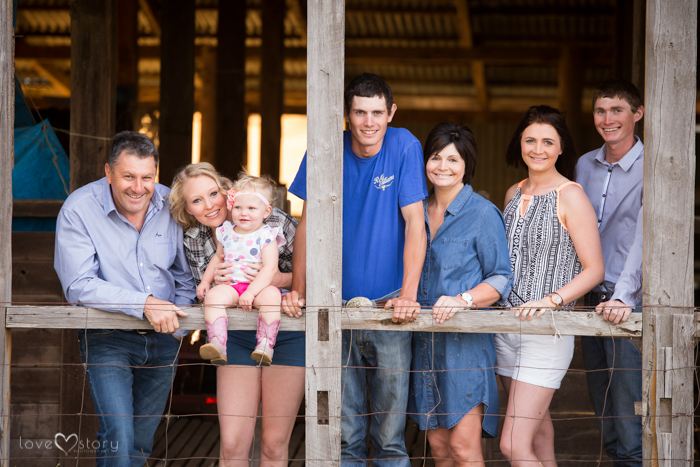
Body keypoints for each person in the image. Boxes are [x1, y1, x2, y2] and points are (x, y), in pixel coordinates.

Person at [283, 73, 428, 465]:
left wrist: (409, 296)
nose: (369, 122)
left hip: (389, 307)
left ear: (391, 113)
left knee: (390, 439)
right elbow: (306, 223)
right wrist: (299, 287)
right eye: (360, 112)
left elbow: (416, 222)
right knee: (343, 438)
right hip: (335, 308)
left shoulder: (404, 145)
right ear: (346, 114)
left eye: (377, 112)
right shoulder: (325, 146)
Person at [54, 131, 196, 467]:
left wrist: (179, 329)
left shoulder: (170, 204)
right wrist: (144, 302)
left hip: (163, 341)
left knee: (141, 444)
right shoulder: (79, 208)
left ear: (156, 175)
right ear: (108, 173)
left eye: (147, 177)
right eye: (128, 176)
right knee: (118, 439)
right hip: (108, 339)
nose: (138, 187)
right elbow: (78, 284)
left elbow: (185, 275)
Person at [169, 162, 304, 466]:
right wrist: (214, 281)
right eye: (197, 200)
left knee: (273, 443)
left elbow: (310, 274)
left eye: (214, 193)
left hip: (286, 331)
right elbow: (204, 287)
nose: (210, 205)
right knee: (232, 445)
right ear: (188, 208)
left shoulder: (270, 220)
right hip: (236, 333)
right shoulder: (194, 238)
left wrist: (273, 280)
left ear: (227, 192)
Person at [497, 106, 605, 467]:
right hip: (503, 328)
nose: (537, 149)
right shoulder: (512, 193)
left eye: (547, 141)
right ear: (520, 143)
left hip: (546, 331)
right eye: (530, 140)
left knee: (512, 445)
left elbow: (594, 270)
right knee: (537, 434)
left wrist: (551, 300)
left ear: (561, 148)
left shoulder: (570, 195)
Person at [408, 123, 513, 466]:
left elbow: (501, 278)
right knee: (438, 449)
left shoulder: (482, 214)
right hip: (423, 346)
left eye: (452, 159)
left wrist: (463, 299)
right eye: (436, 157)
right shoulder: (415, 212)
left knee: (463, 449)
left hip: (465, 348)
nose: (443, 167)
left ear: (467, 164)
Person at [575, 79, 645, 467]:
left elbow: (644, 235)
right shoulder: (584, 164)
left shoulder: (654, 165)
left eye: (617, 110)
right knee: (602, 411)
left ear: (638, 113)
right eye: (601, 110)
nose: (608, 119)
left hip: (625, 305)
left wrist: (625, 295)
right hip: (588, 301)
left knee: (628, 418)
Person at [196, 172, 286, 366]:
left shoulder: (267, 235)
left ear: (266, 211)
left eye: (251, 208)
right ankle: (218, 343)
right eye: (238, 207)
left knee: (272, 297)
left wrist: (252, 292)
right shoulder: (226, 231)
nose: (243, 213)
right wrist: (205, 281)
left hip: (259, 288)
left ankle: (265, 344)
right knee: (213, 297)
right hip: (232, 286)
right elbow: (217, 258)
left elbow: (270, 269)